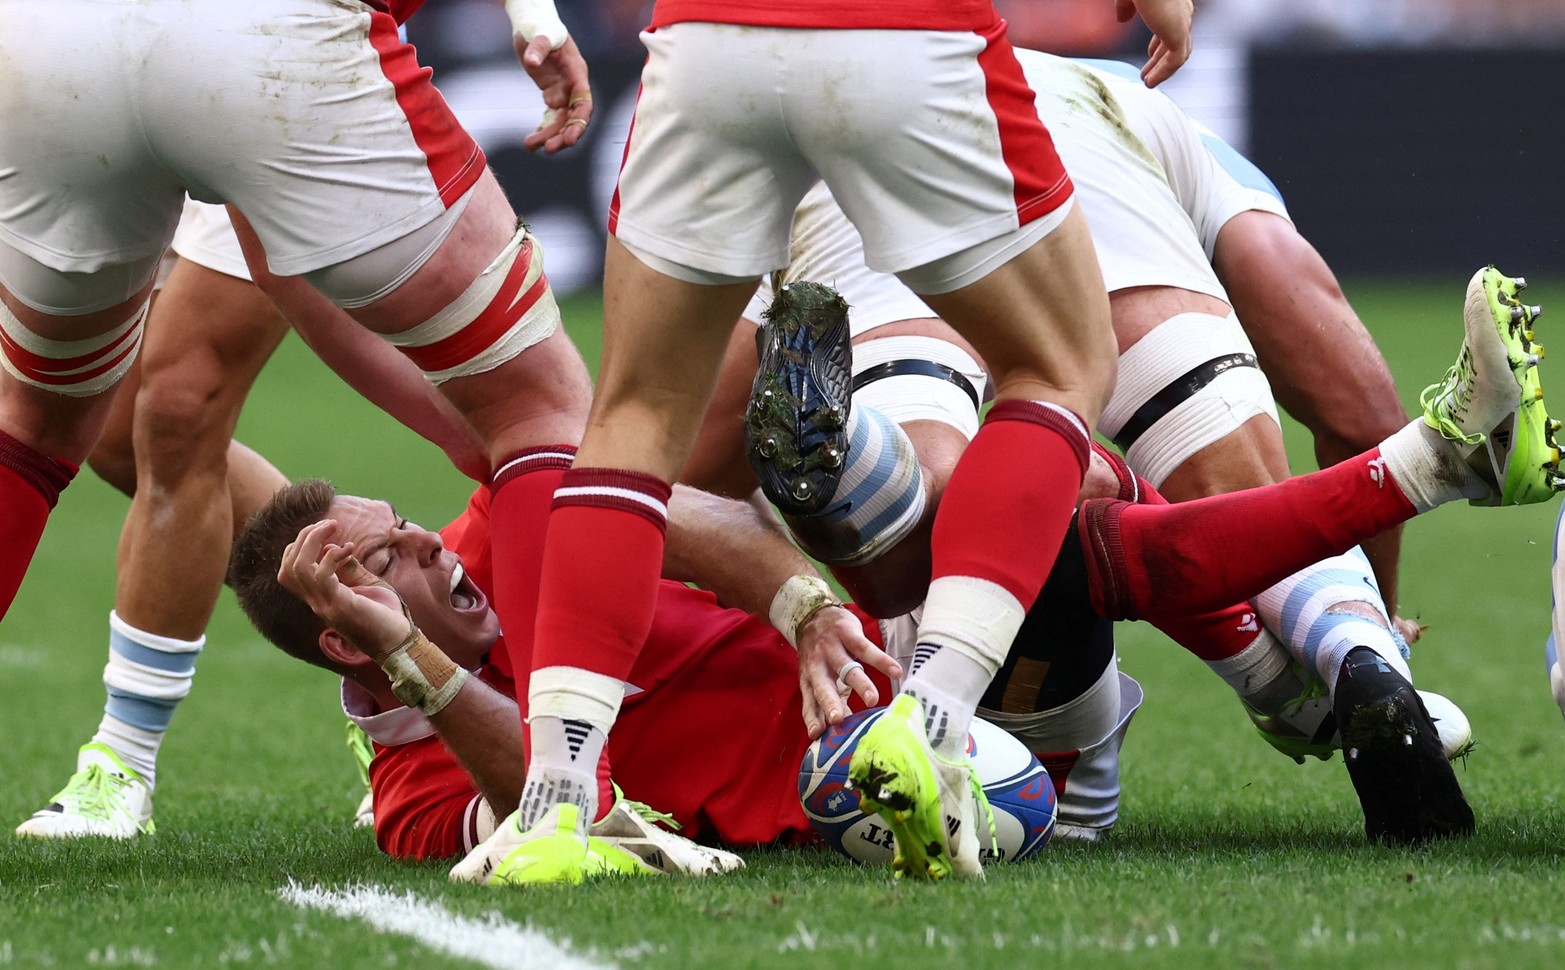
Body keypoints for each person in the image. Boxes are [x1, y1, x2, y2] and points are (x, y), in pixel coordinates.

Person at [253, 274, 1552, 869]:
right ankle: (1370, 580)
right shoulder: (423, 784)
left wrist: (800, 601)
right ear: (349, 636)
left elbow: (662, 503)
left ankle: (1398, 527)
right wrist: (414, 654)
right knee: (1067, 528)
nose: (423, 540)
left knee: (1061, 512)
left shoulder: (500, 530)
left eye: (401, 524)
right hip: (985, 766)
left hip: (913, 641)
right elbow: (518, 796)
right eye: (387, 563)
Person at [685, 51, 1491, 842]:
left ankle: (865, 474)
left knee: (930, 524)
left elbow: (695, 475)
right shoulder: (1161, 121)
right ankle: (1343, 651)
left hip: (861, 197)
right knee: (1242, 501)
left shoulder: (770, 122)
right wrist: (1378, 611)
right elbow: (1357, 408)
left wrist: (792, 593)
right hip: (1099, 174)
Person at [501, 0, 1198, 886]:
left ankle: (556, 802)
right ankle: (934, 724)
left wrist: (533, 18)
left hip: (707, 42)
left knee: (633, 416)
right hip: (902, 32)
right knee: (1058, 366)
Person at [0, 0, 606, 850]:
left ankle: (124, 757)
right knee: (536, 411)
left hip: (80, 40)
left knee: (105, 420)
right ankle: (566, 790)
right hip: (267, 48)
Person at [16, 200, 487, 838]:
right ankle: (383, 684)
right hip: (114, 107)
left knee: (182, 410)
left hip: (248, 105)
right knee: (120, 430)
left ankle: (122, 762)